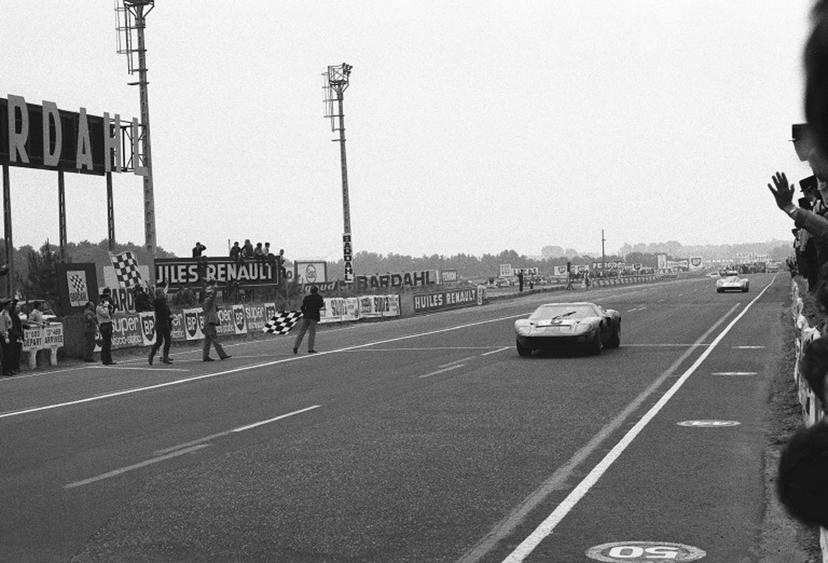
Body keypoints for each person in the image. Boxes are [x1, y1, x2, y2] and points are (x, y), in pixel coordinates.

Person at [201, 276, 231, 362]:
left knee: (207, 341)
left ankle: (205, 356)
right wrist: (215, 286)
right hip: (209, 322)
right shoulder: (208, 301)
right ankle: (222, 355)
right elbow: (213, 296)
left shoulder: (208, 301)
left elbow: (215, 308)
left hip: (208, 322)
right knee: (214, 339)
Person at [293, 285, 325, 354]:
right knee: (312, 333)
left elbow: (302, 307)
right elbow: (320, 305)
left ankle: (296, 347)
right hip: (313, 317)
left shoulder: (307, 298)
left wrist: (305, 313)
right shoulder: (319, 297)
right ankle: (310, 349)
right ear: (317, 291)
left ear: (310, 291)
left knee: (301, 332)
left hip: (306, 317)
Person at [148, 286, 173, 365]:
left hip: (166, 322)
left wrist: (170, 315)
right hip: (159, 323)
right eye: (162, 293)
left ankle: (165, 357)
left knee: (168, 340)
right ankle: (151, 355)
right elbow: (153, 297)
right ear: (159, 294)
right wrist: (150, 289)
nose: (163, 294)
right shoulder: (157, 302)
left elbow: (167, 311)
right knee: (159, 341)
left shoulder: (164, 302)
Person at [96, 294, 116, 365]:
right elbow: (105, 314)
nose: (106, 301)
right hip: (104, 325)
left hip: (108, 324)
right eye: (105, 300)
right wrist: (107, 307)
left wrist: (111, 308)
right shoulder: (99, 307)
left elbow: (111, 313)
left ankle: (108, 359)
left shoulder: (105, 306)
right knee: (106, 343)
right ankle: (105, 359)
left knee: (108, 343)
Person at [0, 299, 14, 375]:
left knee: (10, 352)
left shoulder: (8, 313)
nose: (11, 305)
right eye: (10, 304)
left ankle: (9, 368)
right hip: (5, 334)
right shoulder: (2, 314)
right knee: (6, 353)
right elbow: (2, 328)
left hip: (10, 332)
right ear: (6, 305)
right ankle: (5, 370)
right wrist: (6, 337)